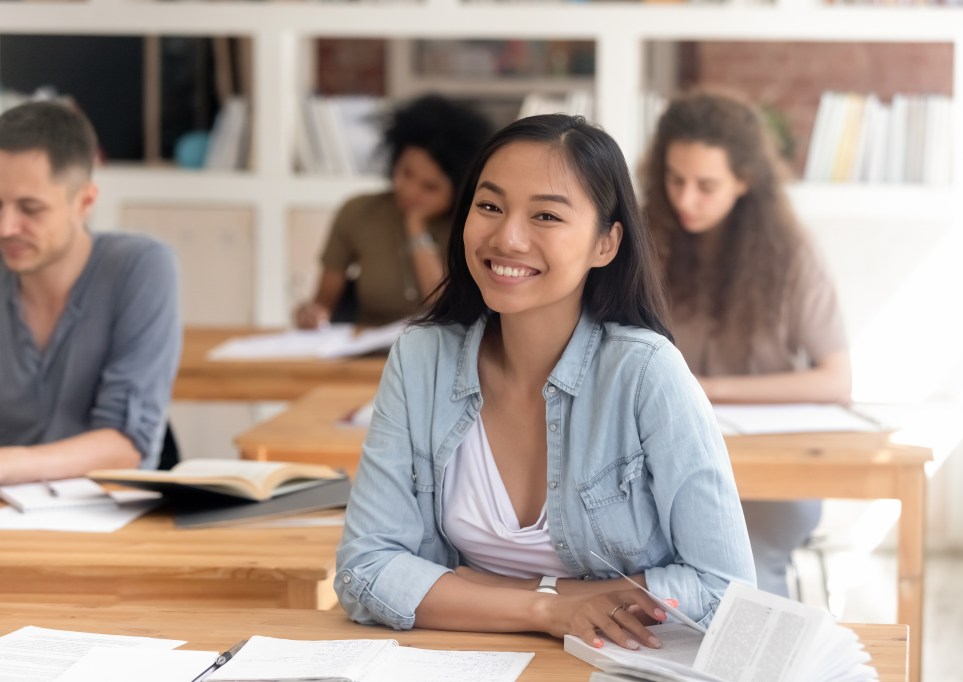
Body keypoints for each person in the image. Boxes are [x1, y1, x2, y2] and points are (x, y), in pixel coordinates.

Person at [336, 114, 754, 650]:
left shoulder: (647, 372)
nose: (507, 237)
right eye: (489, 206)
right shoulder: (422, 358)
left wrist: (484, 587)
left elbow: (727, 590)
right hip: (464, 662)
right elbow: (365, 569)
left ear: (605, 244)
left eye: (546, 215)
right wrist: (548, 607)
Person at [642, 89, 853, 597]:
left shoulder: (790, 251)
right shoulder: (644, 242)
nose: (686, 199)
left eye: (706, 185)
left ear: (744, 180)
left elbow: (836, 379)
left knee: (752, 571)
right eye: (675, 179)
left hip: (774, 468)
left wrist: (707, 388)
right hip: (665, 459)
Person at [0, 100, 181, 485]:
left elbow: (126, 444)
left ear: (85, 201)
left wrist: (9, 465)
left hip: (108, 520)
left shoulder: (140, 267)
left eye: (30, 209)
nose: (6, 227)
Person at [295, 94, 493, 329]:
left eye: (430, 187)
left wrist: (415, 227)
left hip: (441, 352)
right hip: (367, 354)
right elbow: (323, 304)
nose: (409, 191)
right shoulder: (358, 212)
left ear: (460, 188)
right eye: (406, 173)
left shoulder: (472, 225)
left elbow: (443, 307)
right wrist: (310, 314)